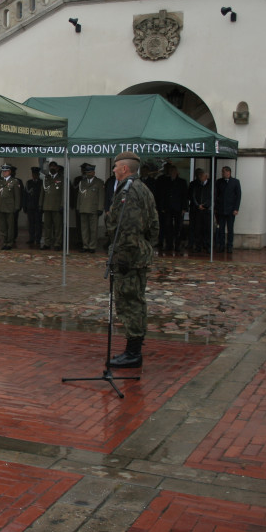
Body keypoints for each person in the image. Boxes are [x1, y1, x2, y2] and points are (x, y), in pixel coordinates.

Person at [104, 151, 159, 369]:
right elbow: (154, 225)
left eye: (116, 166)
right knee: (135, 300)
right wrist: (146, 247)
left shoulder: (130, 191)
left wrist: (125, 255)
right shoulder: (143, 189)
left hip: (129, 257)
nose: (114, 169)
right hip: (139, 254)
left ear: (125, 168)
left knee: (129, 302)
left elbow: (128, 226)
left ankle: (133, 353)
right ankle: (133, 349)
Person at [155, 163, 187, 252]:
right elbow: (163, 195)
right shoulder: (166, 181)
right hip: (168, 208)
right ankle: (169, 245)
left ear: (177, 172)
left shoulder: (182, 182)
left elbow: (184, 196)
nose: (172, 173)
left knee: (178, 227)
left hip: (178, 208)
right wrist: (162, 207)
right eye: (171, 171)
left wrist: (184, 208)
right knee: (167, 226)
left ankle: (177, 245)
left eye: (174, 171)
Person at [75, 163, 105, 253]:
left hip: (93, 209)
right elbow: (79, 196)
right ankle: (85, 245)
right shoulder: (82, 182)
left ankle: (92, 246)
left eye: (90, 172)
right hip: (83, 208)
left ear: (94, 173)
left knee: (93, 229)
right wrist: (78, 207)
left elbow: (101, 196)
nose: (88, 174)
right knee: (84, 229)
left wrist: (100, 208)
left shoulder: (99, 182)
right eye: (87, 172)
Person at [0, 164, 21, 250]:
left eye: (5, 171)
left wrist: (17, 207)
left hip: (10, 207)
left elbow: (17, 196)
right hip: (1, 206)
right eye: (3, 171)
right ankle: (4, 242)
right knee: (3, 226)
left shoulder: (14, 182)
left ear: (9, 172)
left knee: (10, 226)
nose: (4, 173)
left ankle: (9, 243)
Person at [214, 166, 241, 253]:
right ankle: (221, 245)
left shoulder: (235, 182)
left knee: (230, 229)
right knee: (221, 228)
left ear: (228, 172)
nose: (223, 174)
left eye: (224, 172)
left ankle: (230, 245)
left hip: (231, 209)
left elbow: (238, 196)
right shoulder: (219, 182)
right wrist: (216, 207)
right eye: (222, 172)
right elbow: (216, 195)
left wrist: (236, 208)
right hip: (221, 209)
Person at [40, 161, 65, 250]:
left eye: (54, 166)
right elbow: (42, 192)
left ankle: (57, 243)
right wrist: (40, 204)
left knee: (57, 227)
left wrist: (62, 205)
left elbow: (63, 193)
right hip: (46, 205)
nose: (52, 168)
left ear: (57, 168)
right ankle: (47, 243)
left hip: (57, 206)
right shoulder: (46, 178)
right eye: (51, 167)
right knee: (47, 226)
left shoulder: (61, 179)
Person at [190, 168, 212, 252]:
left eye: (201, 176)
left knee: (207, 229)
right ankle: (198, 246)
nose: (200, 178)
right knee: (197, 229)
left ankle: (207, 246)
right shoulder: (197, 185)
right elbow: (193, 196)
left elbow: (211, 197)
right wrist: (197, 205)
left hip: (207, 210)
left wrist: (205, 205)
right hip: (198, 210)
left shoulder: (210, 184)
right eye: (199, 176)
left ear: (206, 176)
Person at [25, 166, 43, 247]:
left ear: (38, 174)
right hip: (30, 206)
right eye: (33, 174)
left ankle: (38, 239)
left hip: (38, 206)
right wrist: (25, 206)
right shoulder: (28, 182)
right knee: (31, 223)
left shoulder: (41, 183)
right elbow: (25, 195)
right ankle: (31, 238)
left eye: (36, 174)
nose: (34, 175)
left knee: (38, 224)